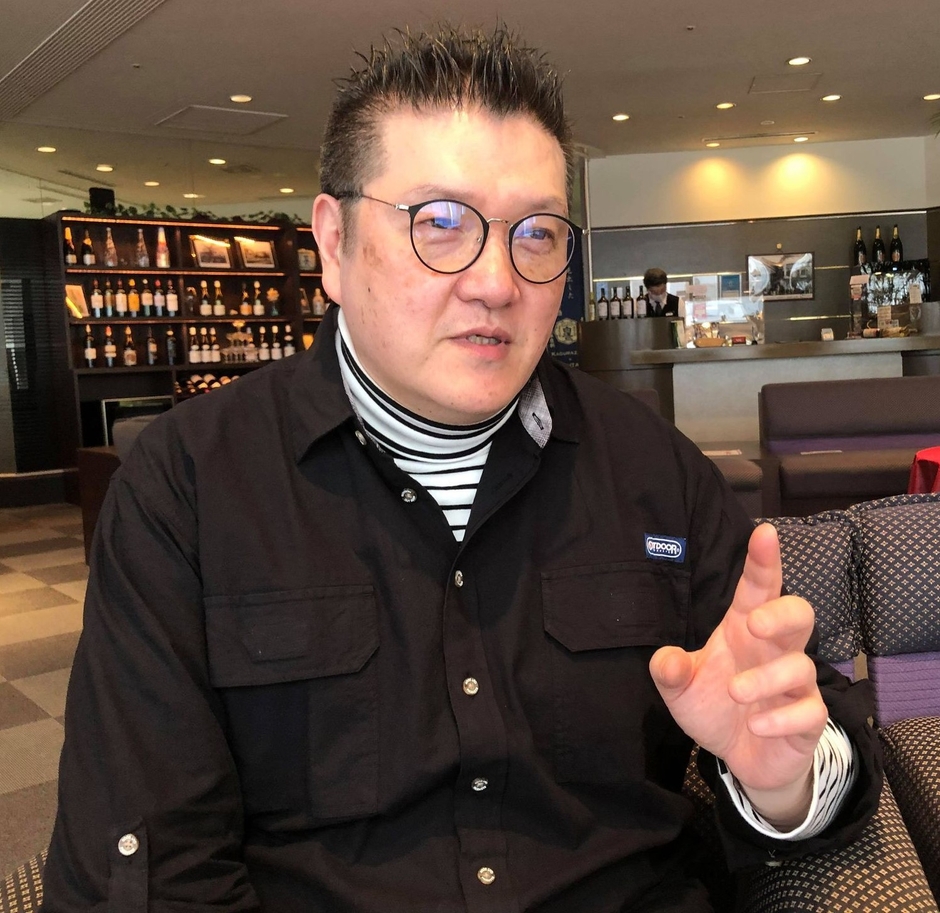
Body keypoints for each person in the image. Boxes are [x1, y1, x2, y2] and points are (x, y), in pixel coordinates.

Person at [43, 25, 881, 913]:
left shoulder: (651, 468)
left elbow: (814, 733)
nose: (496, 281)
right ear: (333, 242)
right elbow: (148, 867)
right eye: (441, 223)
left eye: (537, 233)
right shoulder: (187, 487)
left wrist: (783, 780)